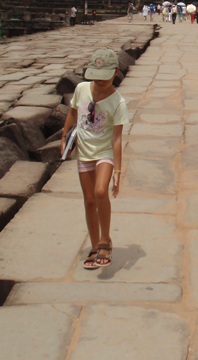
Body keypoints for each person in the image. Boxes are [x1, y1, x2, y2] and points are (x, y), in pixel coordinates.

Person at [60, 48, 129, 269]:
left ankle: (104, 240)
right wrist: (64, 138)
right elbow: (72, 113)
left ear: (116, 72)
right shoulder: (81, 89)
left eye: (105, 77)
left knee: (101, 192)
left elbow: (117, 138)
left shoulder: (118, 101)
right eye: (96, 76)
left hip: (104, 153)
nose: (100, 81)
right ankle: (94, 244)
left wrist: (118, 172)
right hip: (84, 151)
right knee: (89, 200)